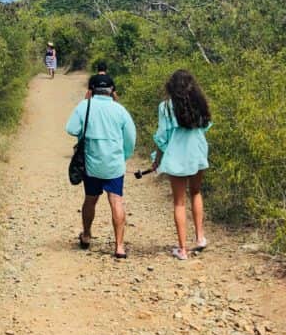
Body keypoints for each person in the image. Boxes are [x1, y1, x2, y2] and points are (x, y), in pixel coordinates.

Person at [66, 76, 137, 258]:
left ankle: (87, 235)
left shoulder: (85, 106)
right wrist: (124, 156)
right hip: (114, 163)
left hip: (92, 162)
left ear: (91, 90)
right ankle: (119, 247)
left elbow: (71, 128)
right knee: (116, 200)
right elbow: (130, 138)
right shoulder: (120, 110)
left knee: (90, 199)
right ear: (113, 91)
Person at [151, 69, 212, 261]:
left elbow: (162, 136)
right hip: (198, 151)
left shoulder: (166, 107)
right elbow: (206, 125)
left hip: (177, 154)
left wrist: (157, 158)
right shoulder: (199, 103)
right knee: (196, 192)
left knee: (179, 201)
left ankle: (183, 249)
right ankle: (200, 237)